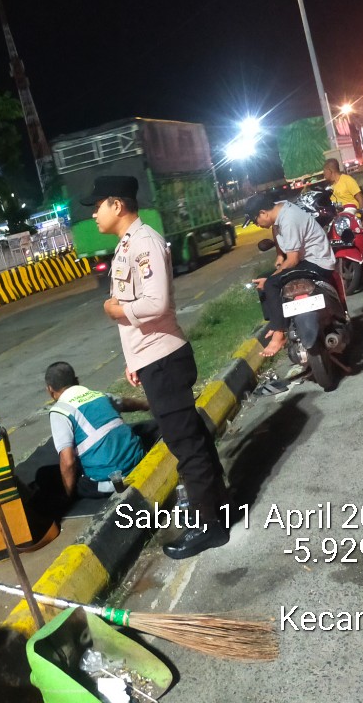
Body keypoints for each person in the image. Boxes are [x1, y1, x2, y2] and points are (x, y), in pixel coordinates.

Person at [84, 175, 230, 559]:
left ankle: (209, 526)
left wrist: (115, 309)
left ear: (117, 205)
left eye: (97, 206)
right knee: (190, 436)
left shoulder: (144, 242)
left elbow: (156, 304)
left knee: (185, 444)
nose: (93, 215)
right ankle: (218, 506)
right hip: (152, 358)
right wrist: (133, 360)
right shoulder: (126, 245)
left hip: (164, 358)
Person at [244, 192, 337, 358]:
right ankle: (276, 323)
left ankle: (278, 333)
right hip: (307, 260)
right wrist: (280, 256)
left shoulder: (289, 219)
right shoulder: (280, 211)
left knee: (270, 283)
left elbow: (293, 260)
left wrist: (273, 277)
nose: (257, 225)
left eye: (255, 220)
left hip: (317, 263)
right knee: (265, 280)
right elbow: (276, 231)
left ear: (263, 213)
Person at [45, 361, 149, 498]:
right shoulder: (99, 395)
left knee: (75, 481)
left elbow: (68, 462)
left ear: (50, 390)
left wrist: (69, 495)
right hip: (139, 460)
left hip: (112, 481)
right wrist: (147, 405)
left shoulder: (60, 411)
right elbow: (126, 403)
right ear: (76, 380)